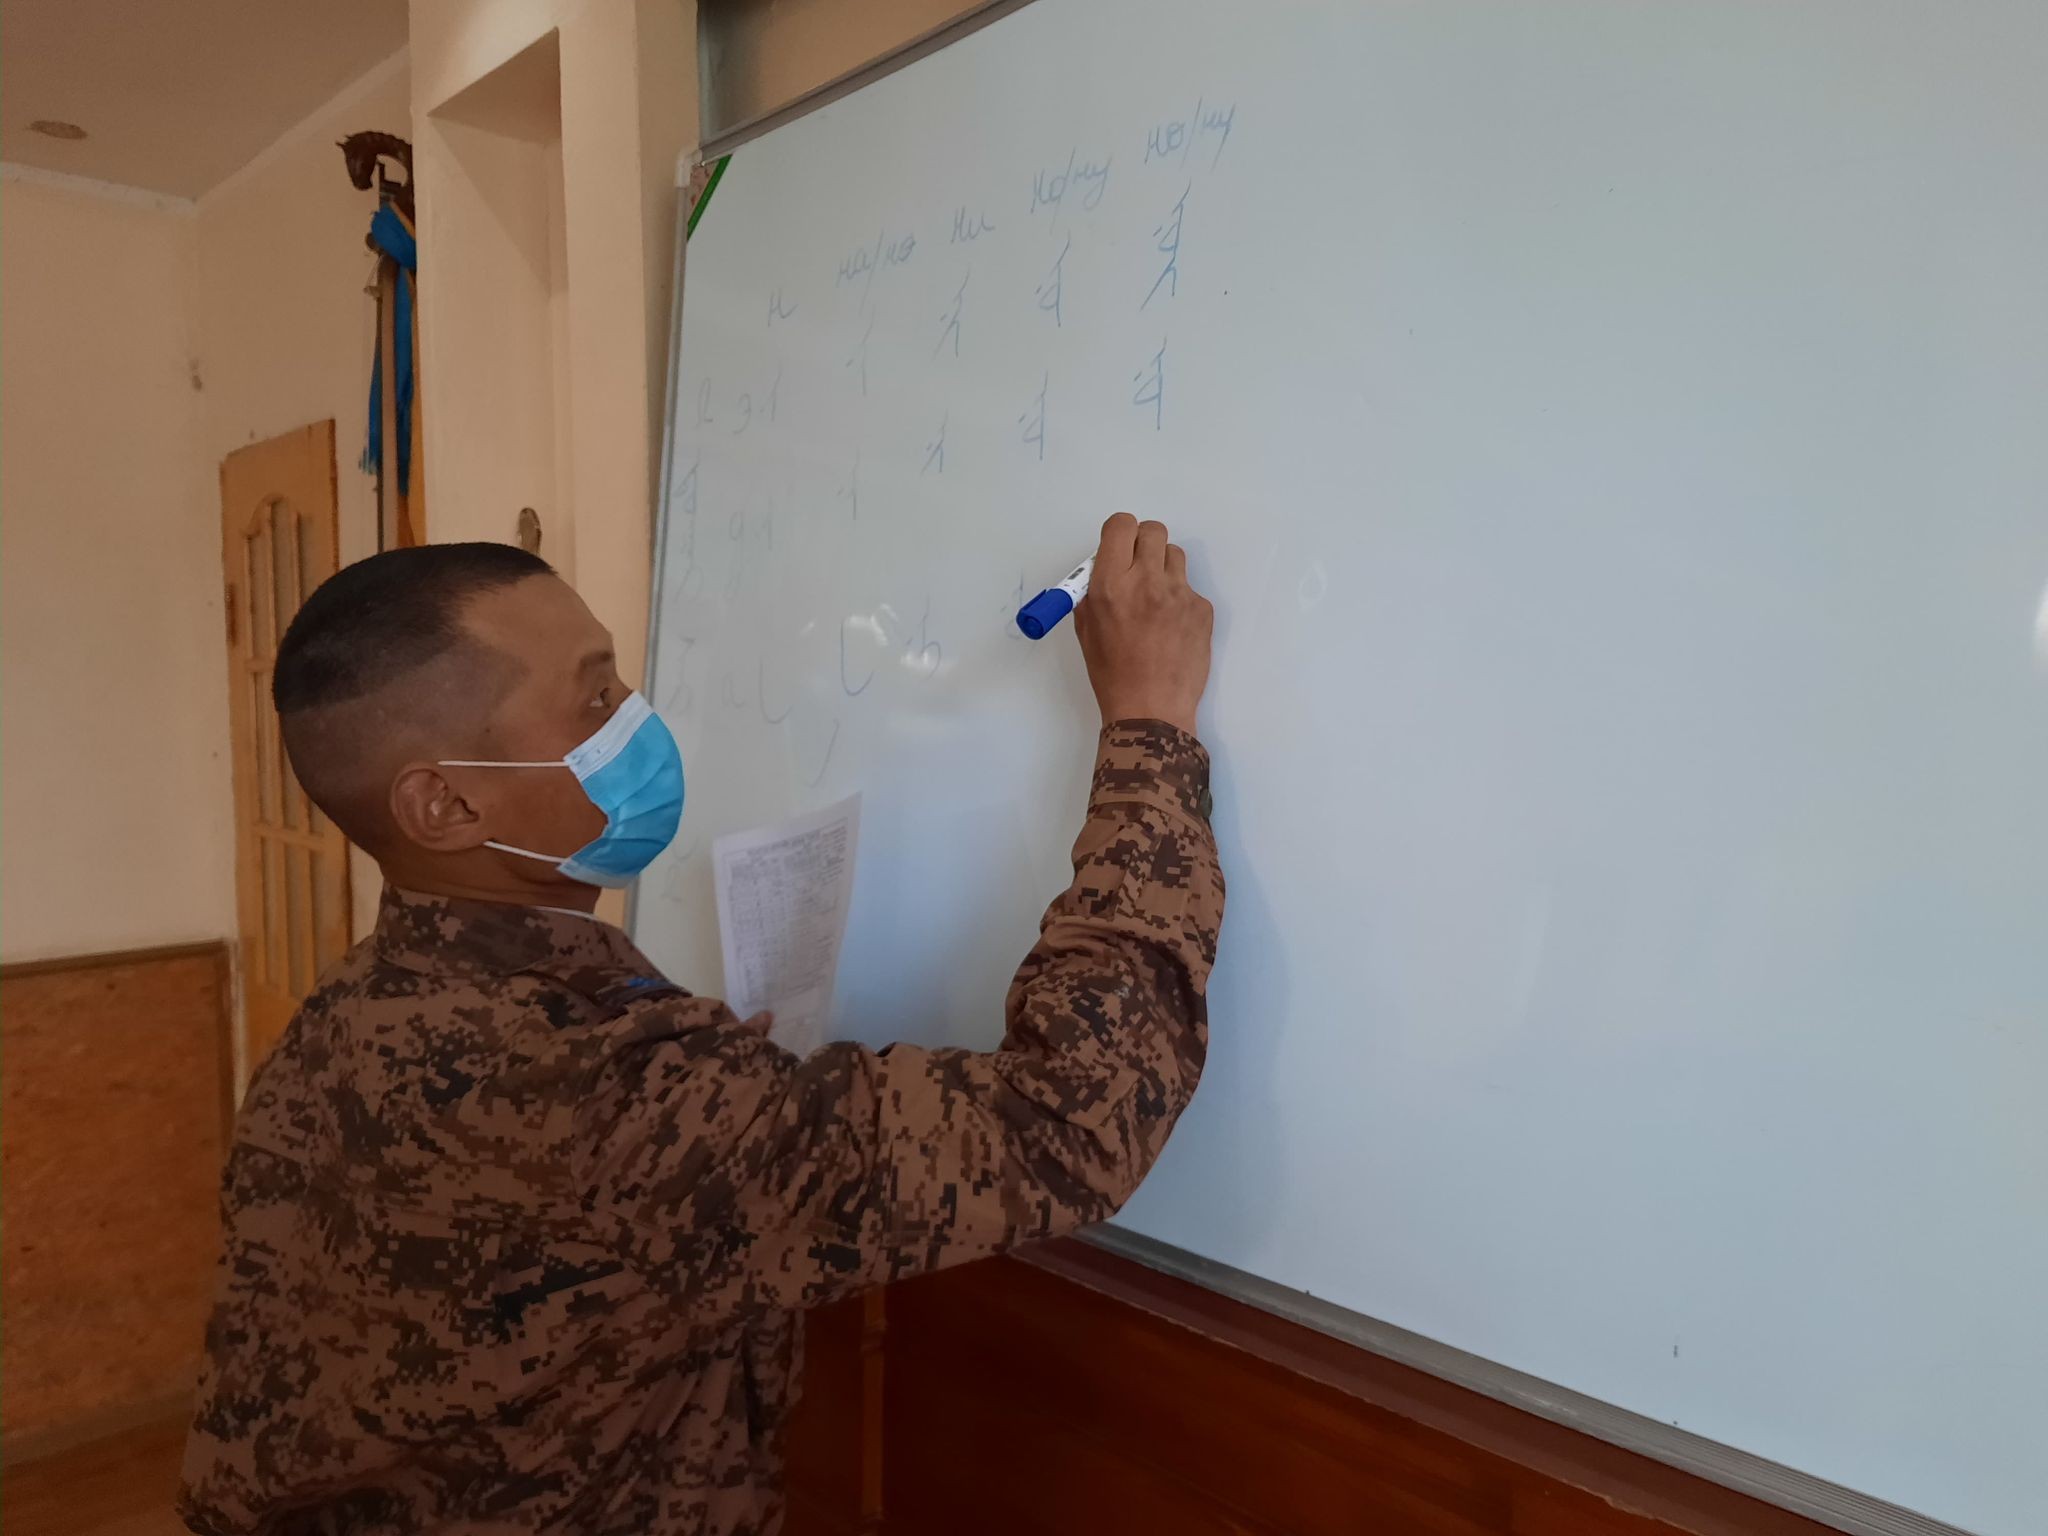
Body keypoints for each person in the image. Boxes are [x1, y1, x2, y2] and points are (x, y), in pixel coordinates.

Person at [181, 513, 1223, 1536]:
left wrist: (710, 1104)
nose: (634, 721)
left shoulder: (351, 1017)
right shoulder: (596, 1092)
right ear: (446, 807)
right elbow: (1070, 1118)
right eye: (593, 700)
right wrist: (1150, 726)